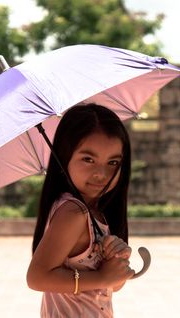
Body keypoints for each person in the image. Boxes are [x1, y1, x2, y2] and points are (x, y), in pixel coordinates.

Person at [27, 103, 135, 317]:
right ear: (65, 156)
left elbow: (111, 287)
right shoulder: (74, 213)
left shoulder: (96, 213)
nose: (101, 174)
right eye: (88, 159)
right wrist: (103, 277)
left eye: (113, 162)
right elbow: (37, 277)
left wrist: (116, 263)